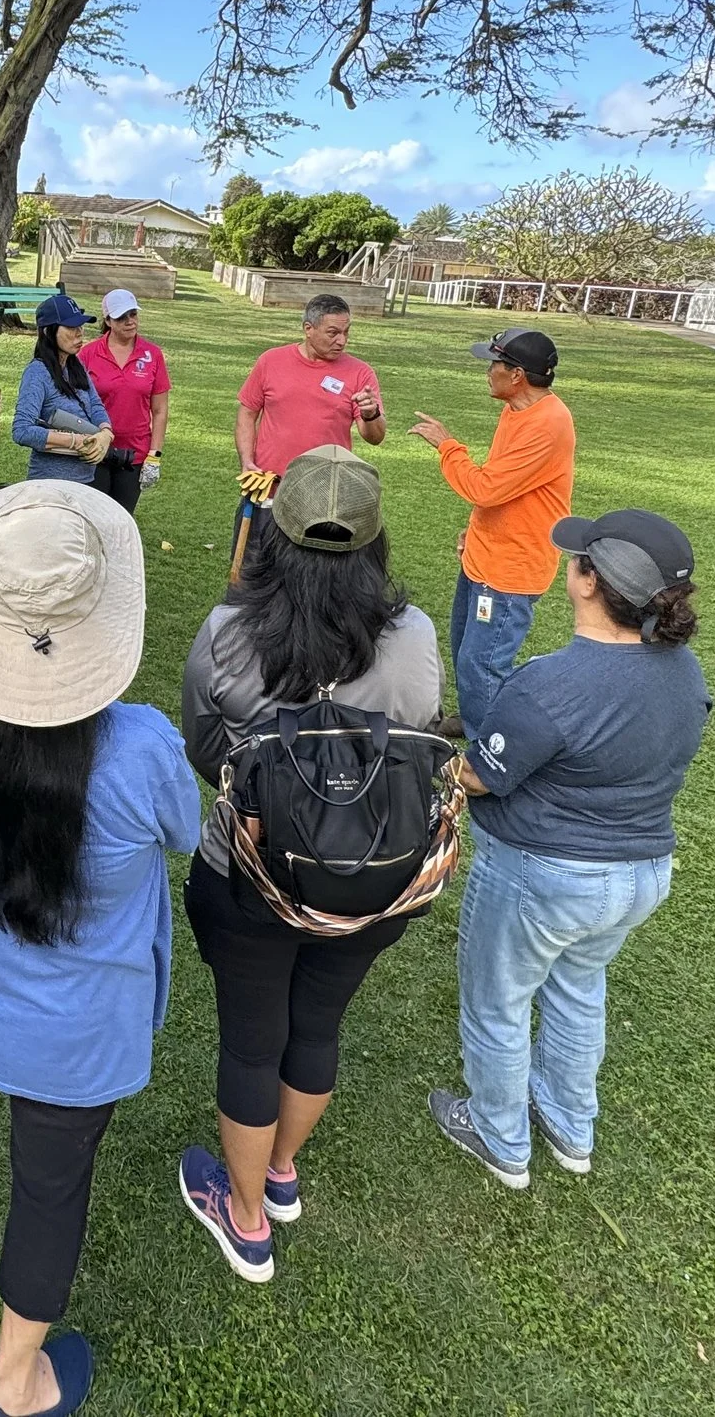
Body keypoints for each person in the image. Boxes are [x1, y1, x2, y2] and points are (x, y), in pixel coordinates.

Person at [0, 483, 194, 1417]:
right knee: (50, 1192)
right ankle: (12, 1383)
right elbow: (185, 831)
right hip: (73, 1038)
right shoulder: (143, 748)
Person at [175, 446, 443, 1280]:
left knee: (252, 1043)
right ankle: (280, 1169)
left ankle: (246, 1213)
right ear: (375, 541)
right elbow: (420, 730)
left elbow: (204, 747)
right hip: (375, 876)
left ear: (274, 531)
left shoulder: (228, 631)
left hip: (248, 874)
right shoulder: (414, 634)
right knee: (318, 1024)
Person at [430, 510, 707, 1193]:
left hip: (545, 876)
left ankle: (499, 1136)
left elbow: (483, 774)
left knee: (497, 1003)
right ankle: (569, 1124)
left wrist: (447, 767)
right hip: (640, 875)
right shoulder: (685, 671)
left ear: (588, 582)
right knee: (580, 986)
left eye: (578, 557)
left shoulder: (550, 682)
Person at [407, 327, 576, 735]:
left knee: (482, 661)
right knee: (465, 646)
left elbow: (485, 487)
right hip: (484, 556)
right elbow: (502, 485)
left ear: (516, 375)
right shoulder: (515, 410)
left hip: (510, 570)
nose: (488, 371)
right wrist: (475, 530)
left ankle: (490, 744)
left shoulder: (548, 424)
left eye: (494, 363)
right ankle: (473, 720)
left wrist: (447, 446)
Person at [234, 295, 384, 492]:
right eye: (333, 333)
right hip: (268, 486)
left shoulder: (360, 373)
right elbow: (247, 414)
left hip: (325, 493)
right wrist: (247, 460)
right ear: (308, 329)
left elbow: (375, 437)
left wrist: (371, 414)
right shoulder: (270, 361)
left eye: (346, 332)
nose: (342, 341)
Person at [75, 290, 170, 515]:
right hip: (96, 449)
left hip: (134, 453)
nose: (130, 321)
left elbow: (160, 410)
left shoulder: (152, 354)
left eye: (133, 314)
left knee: (121, 517)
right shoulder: (88, 354)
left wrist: (154, 455)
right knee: (94, 516)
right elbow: (75, 403)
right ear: (108, 321)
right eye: (121, 317)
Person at [10, 294, 112, 485]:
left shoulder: (76, 366)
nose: (80, 333)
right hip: (50, 483)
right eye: (71, 327)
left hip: (85, 480)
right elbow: (22, 431)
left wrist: (106, 433)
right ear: (48, 331)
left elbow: (95, 405)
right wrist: (74, 441)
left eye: (81, 326)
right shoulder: (38, 372)